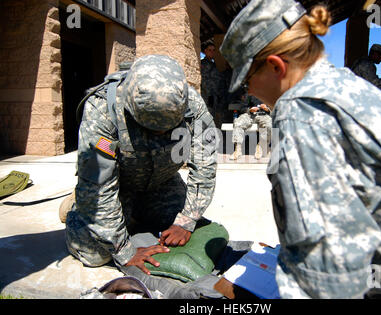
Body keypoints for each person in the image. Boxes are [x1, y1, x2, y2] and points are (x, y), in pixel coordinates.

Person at [220, 0, 381, 299]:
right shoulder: (346, 85)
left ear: (276, 66)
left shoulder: (301, 109)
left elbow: (324, 272)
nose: (248, 92)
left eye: (247, 80)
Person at [64, 55, 218, 276]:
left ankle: (137, 213)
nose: (162, 134)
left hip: (162, 183)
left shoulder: (192, 105)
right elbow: (99, 185)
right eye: (152, 129)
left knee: (184, 232)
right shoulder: (102, 111)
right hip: (117, 186)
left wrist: (186, 221)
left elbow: (205, 166)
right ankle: (76, 207)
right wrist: (125, 251)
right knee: (97, 254)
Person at [231, 91, 272, 160]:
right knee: (238, 124)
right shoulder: (250, 92)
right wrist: (250, 110)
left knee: (269, 125)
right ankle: (237, 150)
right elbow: (242, 106)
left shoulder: (269, 92)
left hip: (264, 115)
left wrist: (267, 109)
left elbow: (275, 107)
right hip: (250, 115)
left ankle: (261, 147)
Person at [201, 40, 224, 128]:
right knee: (206, 119)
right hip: (208, 97)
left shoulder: (213, 65)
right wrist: (209, 95)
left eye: (213, 50)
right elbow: (204, 81)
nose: (212, 52)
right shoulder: (203, 64)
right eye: (209, 50)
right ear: (205, 51)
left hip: (215, 97)